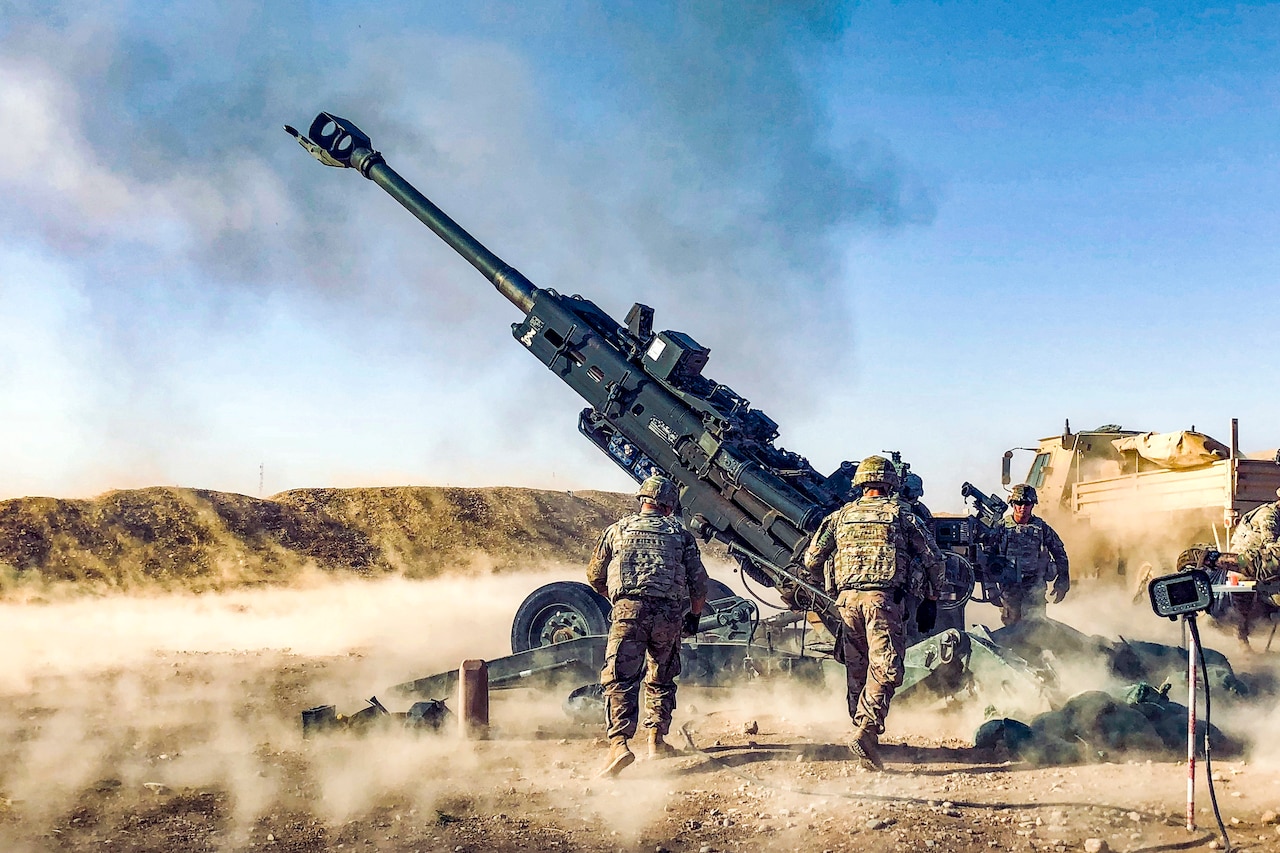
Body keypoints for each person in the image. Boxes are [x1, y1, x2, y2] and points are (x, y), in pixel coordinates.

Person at [803, 455, 944, 771]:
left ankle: (864, 736)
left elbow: (812, 560)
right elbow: (934, 559)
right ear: (890, 483)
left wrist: (830, 587)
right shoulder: (902, 517)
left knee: (857, 667)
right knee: (886, 668)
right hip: (882, 602)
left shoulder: (839, 517)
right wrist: (931, 599)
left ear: (861, 483)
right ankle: (866, 732)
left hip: (847, 604)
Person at [586, 474, 708, 777]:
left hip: (628, 611)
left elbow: (594, 574)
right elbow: (700, 584)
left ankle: (620, 745)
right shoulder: (680, 535)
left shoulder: (617, 530)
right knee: (661, 677)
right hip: (668, 615)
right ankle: (656, 740)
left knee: (620, 679)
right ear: (668, 505)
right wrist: (692, 616)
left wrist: (617, 600)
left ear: (643, 500)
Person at [991, 484, 1070, 626]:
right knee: (1011, 630)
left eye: (1027, 503)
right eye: (1019, 503)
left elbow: (1059, 552)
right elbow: (987, 558)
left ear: (1032, 505)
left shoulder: (1041, 528)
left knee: (1036, 627)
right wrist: (991, 588)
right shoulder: (1001, 528)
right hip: (1009, 588)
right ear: (1012, 504)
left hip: (1035, 586)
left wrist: (1062, 580)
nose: (1022, 507)